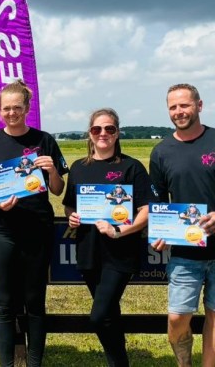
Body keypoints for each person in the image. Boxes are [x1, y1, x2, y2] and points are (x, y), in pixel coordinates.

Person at [149, 84, 215, 367]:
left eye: (184, 105)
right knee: (177, 318)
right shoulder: (161, 152)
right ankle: (184, 363)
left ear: (199, 105)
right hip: (185, 252)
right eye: (173, 107)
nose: (179, 112)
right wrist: (161, 232)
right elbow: (158, 203)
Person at [0, 80, 68, 367]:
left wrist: (51, 172)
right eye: (6, 108)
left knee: (35, 302)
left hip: (37, 227)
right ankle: (7, 364)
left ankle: (35, 363)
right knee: (5, 304)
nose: (11, 113)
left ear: (27, 108)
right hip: (0, 229)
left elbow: (58, 190)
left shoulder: (44, 140)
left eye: (17, 108)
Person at [63, 108, 153, 367]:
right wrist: (72, 216)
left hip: (121, 253)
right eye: (97, 129)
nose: (103, 134)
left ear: (117, 133)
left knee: (99, 315)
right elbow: (70, 205)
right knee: (109, 315)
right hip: (89, 251)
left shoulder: (131, 167)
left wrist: (120, 231)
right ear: (89, 134)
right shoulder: (79, 168)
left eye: (109, 129)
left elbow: (146, 210)